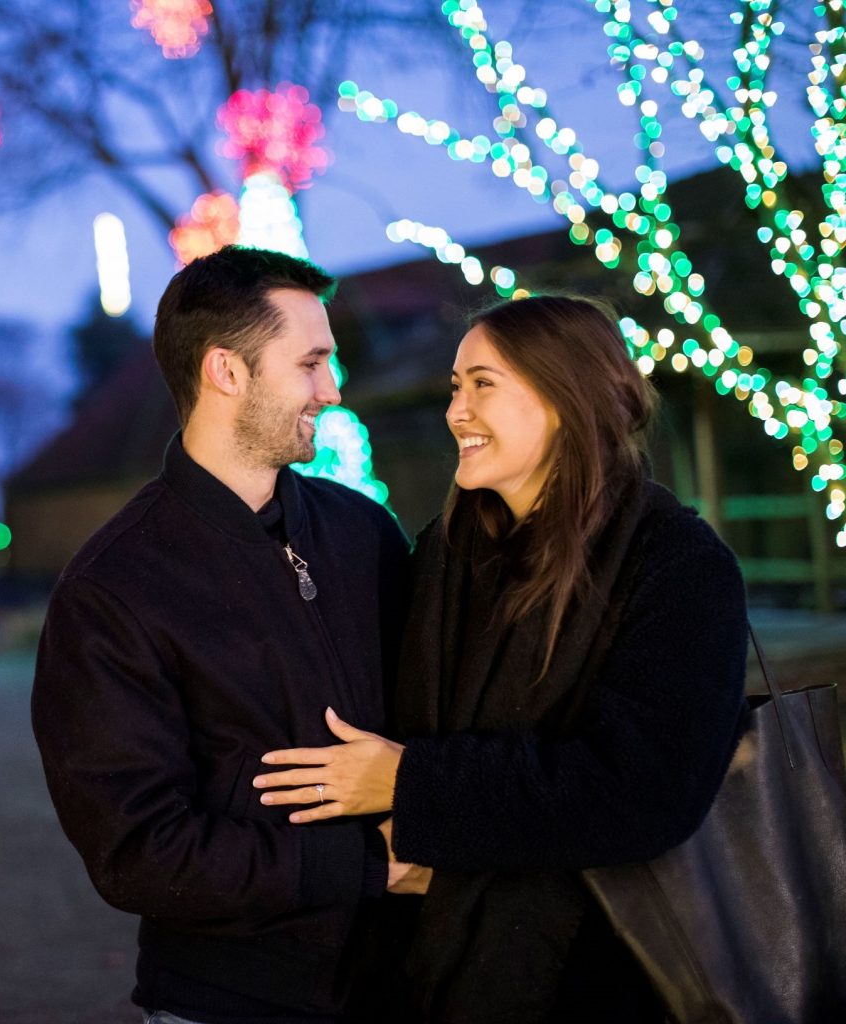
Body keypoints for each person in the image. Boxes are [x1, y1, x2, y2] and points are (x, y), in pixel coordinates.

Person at [252, 295, 749, 1023]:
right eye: (456, 386)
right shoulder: (445, 556)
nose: (458, 411)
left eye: (484, 383)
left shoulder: (676, 565)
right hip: (434, 966)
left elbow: (647, 791)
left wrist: (408, 783)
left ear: (565, 397)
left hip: (607, 974)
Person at [31, 246, 413, 1024]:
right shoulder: (114, 587)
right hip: (229, 999)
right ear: (225, 372)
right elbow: (139, 853)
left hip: (404, 987)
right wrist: (372, 865)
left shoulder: (362, 532)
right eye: (311, 363)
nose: (334, 390)